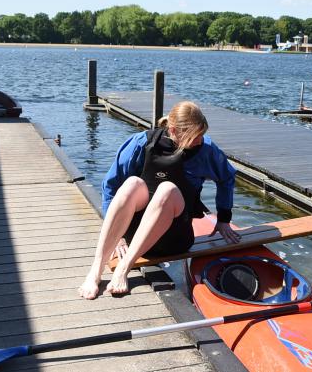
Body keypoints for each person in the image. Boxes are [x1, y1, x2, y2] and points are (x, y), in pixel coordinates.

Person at [79, 101, 240, 299]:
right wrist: (119, 237)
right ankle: (95, 270)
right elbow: (111, 187)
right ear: (173, 130)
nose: (200, 140)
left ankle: (123, 270)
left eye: (202, 134)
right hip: (132, 239)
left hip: (175, 239)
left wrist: (224, 218)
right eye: (195, 136)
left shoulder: (206, 150)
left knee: (167, 189)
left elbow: (227, 178)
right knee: (131, 183)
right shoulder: (141, 143)